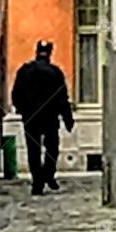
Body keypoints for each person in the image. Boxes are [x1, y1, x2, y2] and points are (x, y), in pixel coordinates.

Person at [11, 40, 75, 196]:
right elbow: (62, 98)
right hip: (50, 117)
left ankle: (37, 181)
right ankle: (48, 174)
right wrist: (68, 118)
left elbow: (16, 94)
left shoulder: (25, 71)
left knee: (33, 149)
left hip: (31, 117)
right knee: (52, 148)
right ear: (50, 53)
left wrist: (22, 110)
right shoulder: (55, 73)